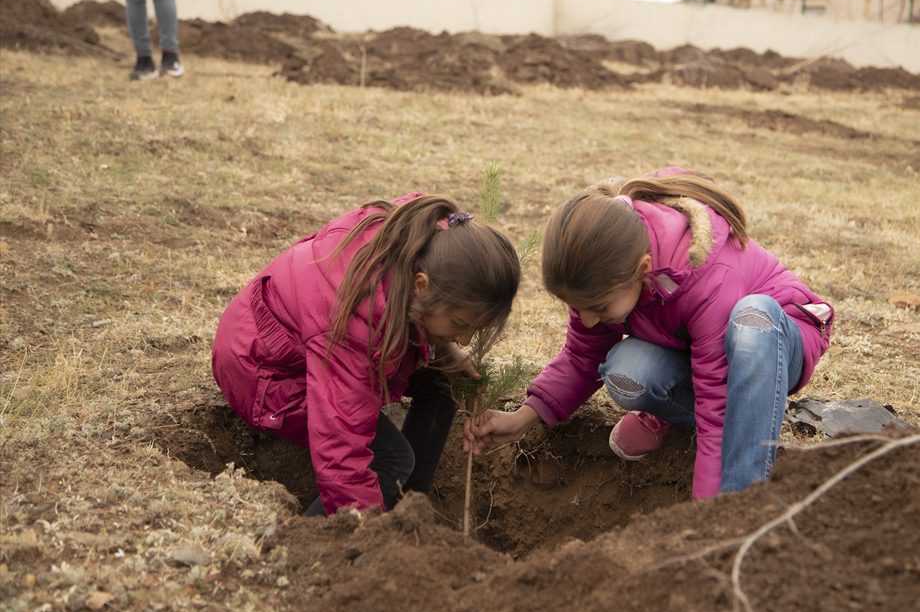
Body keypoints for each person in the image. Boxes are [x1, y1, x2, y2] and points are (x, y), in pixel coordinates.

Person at [465, 169, 834, 500]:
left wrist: (710, 516)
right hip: (699, 350)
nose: (590, 321)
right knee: (628, 371)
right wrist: (522, 418)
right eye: (581, 309)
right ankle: (675, 417)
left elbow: (717, 405)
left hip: (776, 340)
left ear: (643, 269)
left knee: (751, 319)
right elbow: (582, 357)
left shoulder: (706, 275)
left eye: (599, 309)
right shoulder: (607, 273)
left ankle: (744, 500)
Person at [212, 194, 520, 516]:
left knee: (441, 380)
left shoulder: (431, 243)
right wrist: (366, 541)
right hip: (265, 370)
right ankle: (313, 543)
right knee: (391, 460)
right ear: (422, 286)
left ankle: (409, 515)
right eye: (460, 324)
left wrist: (446, 348)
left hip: (300, 342)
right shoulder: (352, 326)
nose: (465, 338)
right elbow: (341, 453)